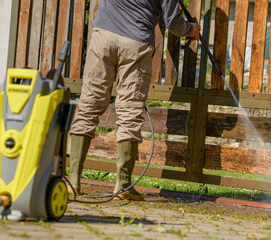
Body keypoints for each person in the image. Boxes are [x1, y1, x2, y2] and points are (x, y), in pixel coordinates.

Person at [68, 0, 200, 201]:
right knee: (129, 111)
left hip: (103, 34)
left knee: (89, 104)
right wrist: (191, 29)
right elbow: (173, 23)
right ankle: (122, 186)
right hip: (135, 42)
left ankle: (73, 181)